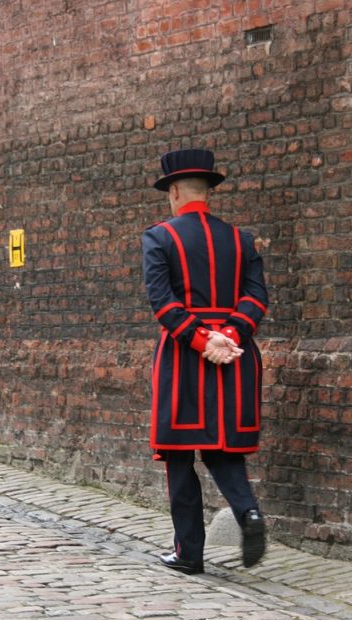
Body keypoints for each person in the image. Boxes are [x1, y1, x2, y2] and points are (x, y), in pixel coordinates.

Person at [141, 148, 269, 575]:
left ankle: (189, 553)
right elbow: (256, 298)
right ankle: (247, 512)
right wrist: (229, 335)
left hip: (183, 358)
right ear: (207, 192)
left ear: (174, 191)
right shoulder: (241, 239)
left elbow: (164, 303)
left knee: (179, 457)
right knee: (223, 449)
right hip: (235, 357)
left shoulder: (159, 237)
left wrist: (201, 340)